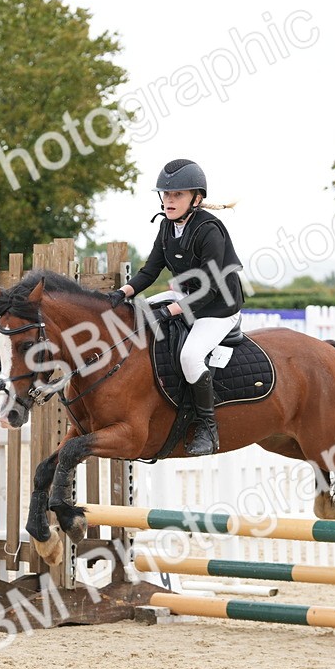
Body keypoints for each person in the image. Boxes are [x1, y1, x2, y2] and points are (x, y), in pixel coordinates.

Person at [107, 158, 243, 456]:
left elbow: (209, 289)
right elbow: (150, 271)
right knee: (134, 316)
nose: (169, 200)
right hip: (186, 298)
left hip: (219, 308)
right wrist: (120, 294)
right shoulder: (167, 226)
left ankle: (208, 428)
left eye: (177, 194)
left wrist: (169, 311)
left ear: (196, 199)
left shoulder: (210, 230)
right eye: (166, 194)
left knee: (190, 356)